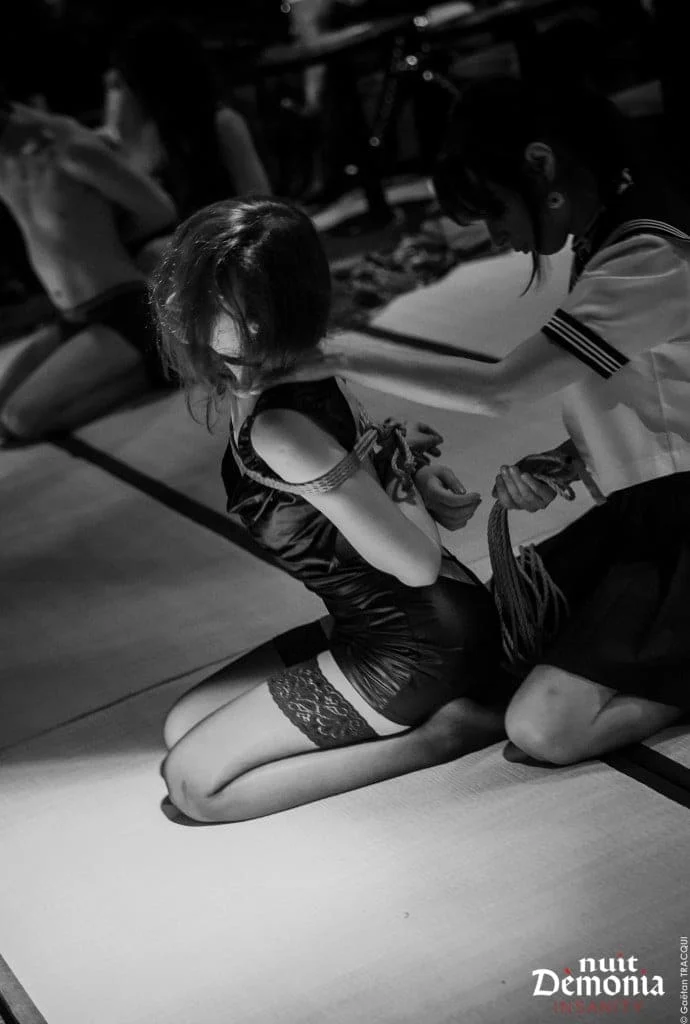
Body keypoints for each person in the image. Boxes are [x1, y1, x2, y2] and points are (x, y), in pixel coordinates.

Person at [284, 77, 690, 765]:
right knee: (504, 621)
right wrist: (577, 456)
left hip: (678, 517)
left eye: (496, 211)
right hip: (654, 505)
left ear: (541, 163)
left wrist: (334, 351)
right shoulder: (620, 217)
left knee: (545, 728)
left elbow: (505, 389)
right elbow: (664, 379)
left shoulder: (653, 248)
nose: (500, 237)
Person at [153, 196, 510, 824]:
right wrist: (401, 464)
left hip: (414, 645)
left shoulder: (279, 427)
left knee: (195, 786)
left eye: (210, 300)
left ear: (263, 314)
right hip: (374, 618)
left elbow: (417, 563)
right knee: (182, 724)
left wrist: (399, 472)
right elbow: (362, 459)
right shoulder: (296, 369)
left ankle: (445, 733)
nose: (184, 309)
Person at [0, 18, 271, 441]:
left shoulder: (218, 123)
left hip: (179, 276)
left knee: (19, 420)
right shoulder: (119, 141)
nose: (111, 89)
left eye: (119, 82)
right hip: (103, 299)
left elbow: (261, 208)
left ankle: (169, 364)